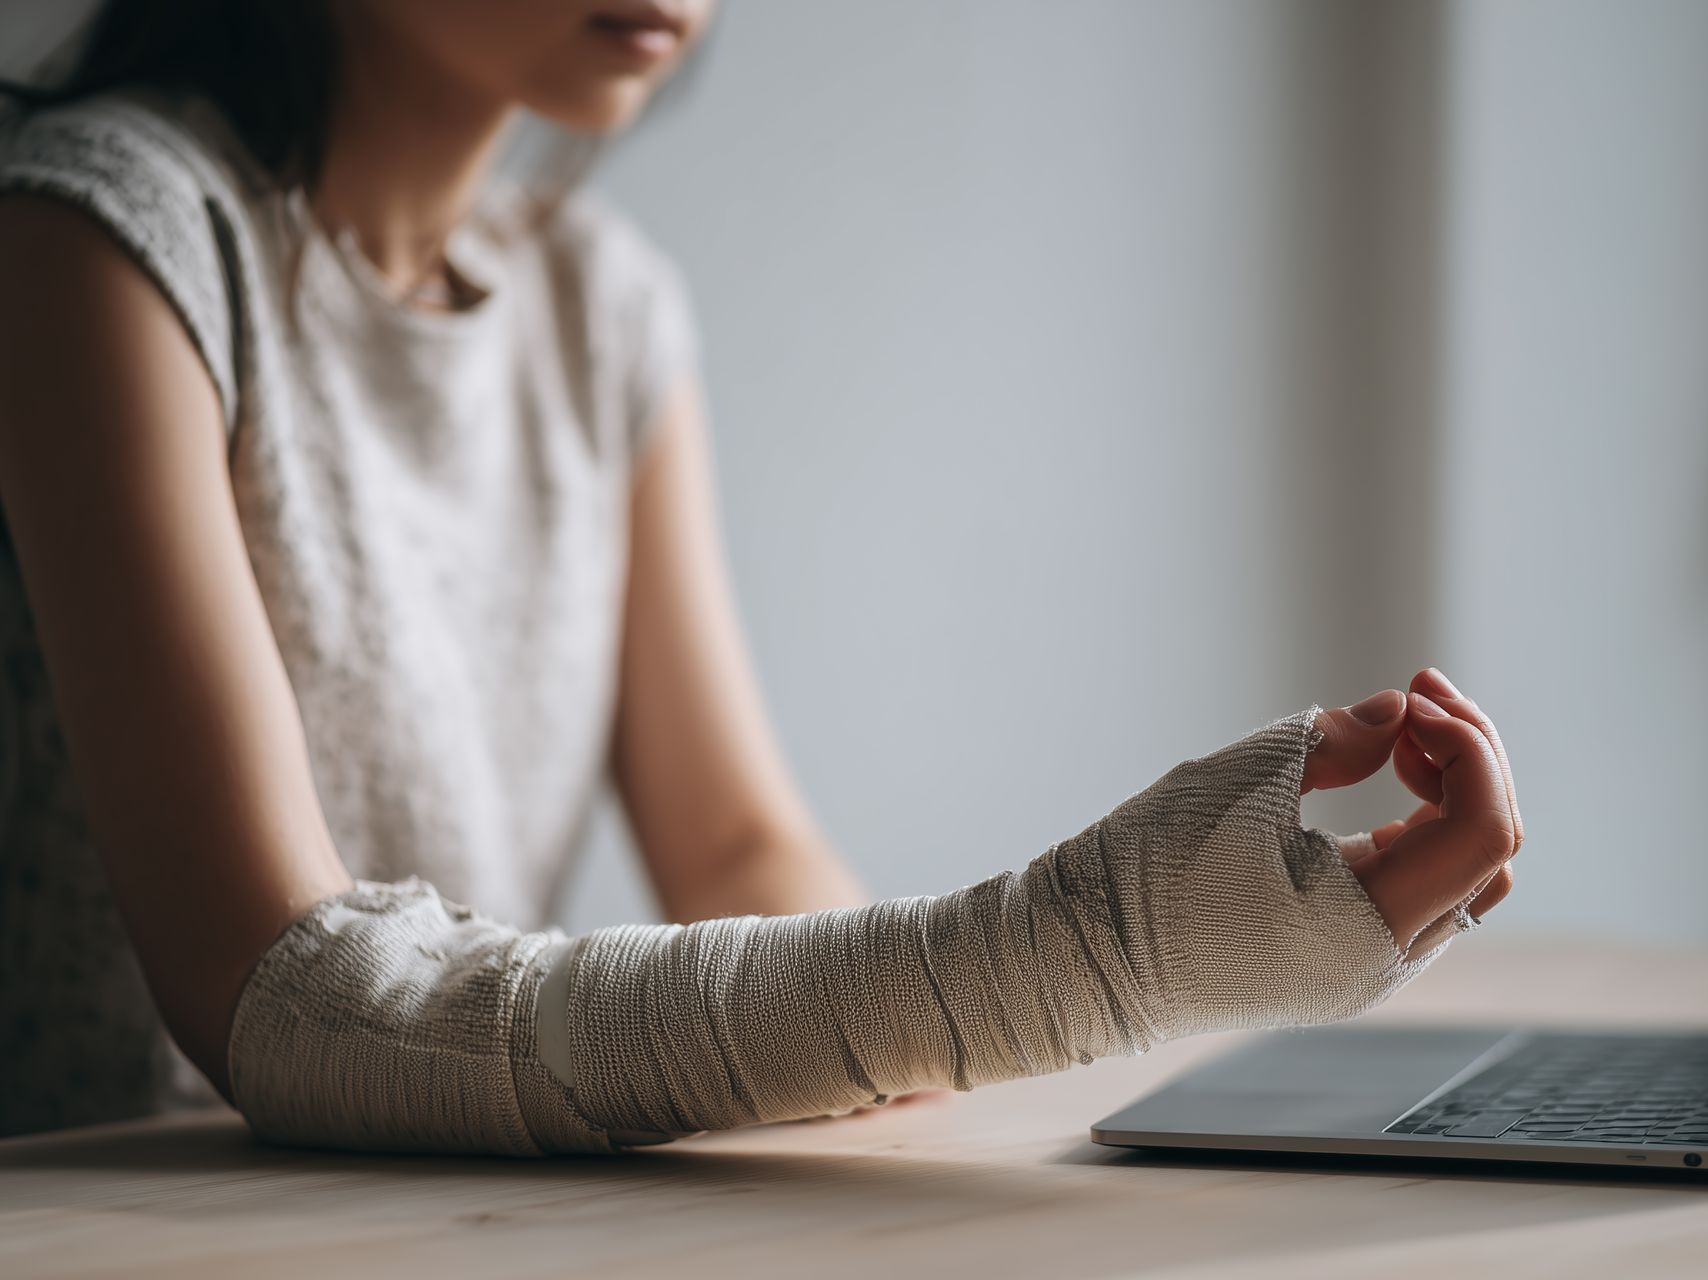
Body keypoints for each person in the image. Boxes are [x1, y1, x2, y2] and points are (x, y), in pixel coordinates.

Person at [0, 0, 1521, 1150]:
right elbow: (288, 1000)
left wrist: (921, 1043)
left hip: (456, 1221)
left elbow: (734, 847)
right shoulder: (101, 237)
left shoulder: (601, 310)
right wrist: (1102, 950)